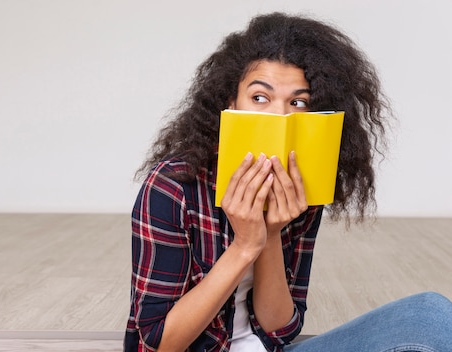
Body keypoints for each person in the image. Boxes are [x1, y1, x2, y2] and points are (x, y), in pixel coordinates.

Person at [124, 12, 452, 352]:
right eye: (260, 98)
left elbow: (279, 331)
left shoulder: (303, 187)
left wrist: (270, 236)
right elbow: (158, 345)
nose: (279, 116)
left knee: (429, 312)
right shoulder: (173, 187)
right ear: (231, 103)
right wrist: (244, 246)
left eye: (298, 103)